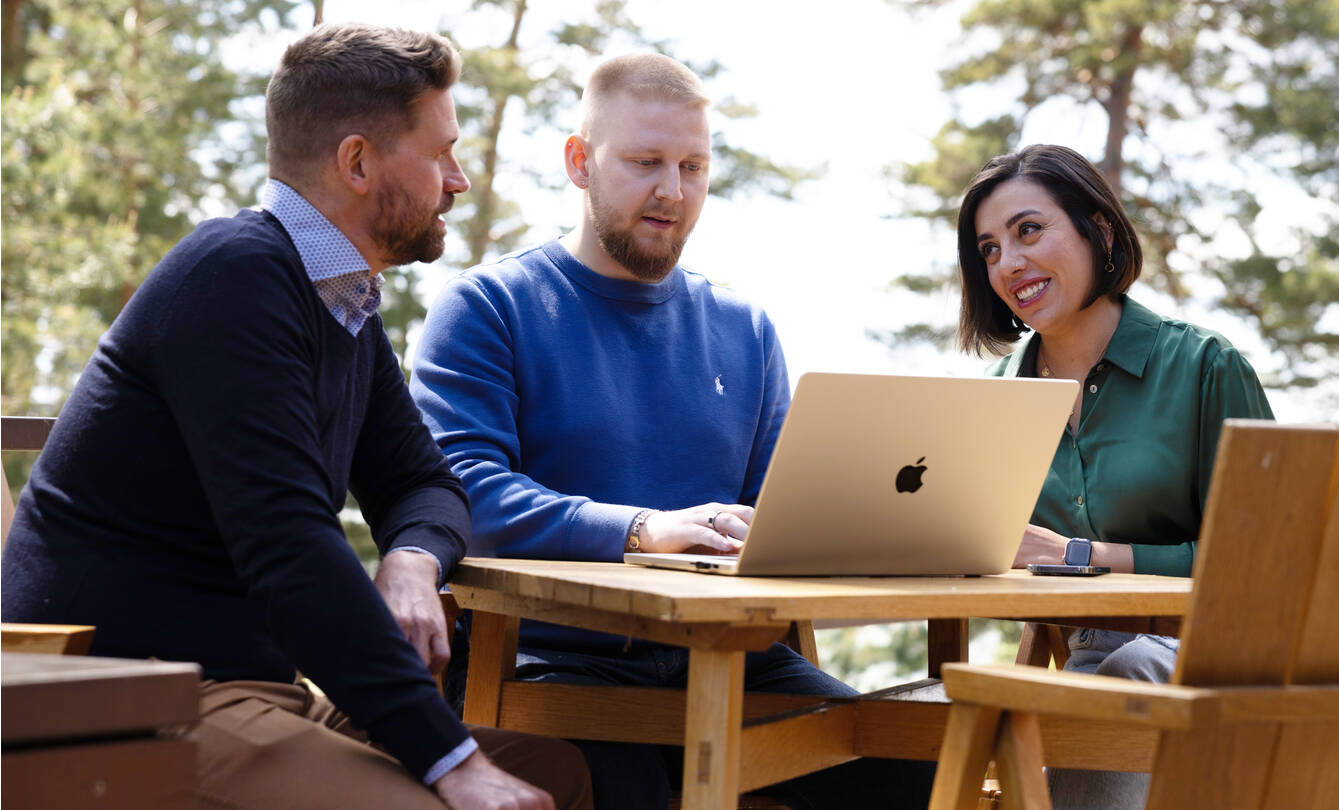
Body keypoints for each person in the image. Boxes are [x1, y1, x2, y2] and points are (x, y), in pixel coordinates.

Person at [0, 23, 591, 810]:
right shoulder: (235, 279)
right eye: (441, 152)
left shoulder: (341, 304)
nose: (460, 180)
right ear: (357, 162)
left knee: (559, 773)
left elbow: (425, 483)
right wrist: (451, 761)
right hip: (134, 697)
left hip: (256, 688)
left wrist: (412, 561)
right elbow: (288, 551)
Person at [410, 52, 934, 810]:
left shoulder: (744, 329)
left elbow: (779, 507)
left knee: (912, 766)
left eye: (694, 166)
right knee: (633, 788)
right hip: (555, 664)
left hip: (736, 664)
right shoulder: (490, 308)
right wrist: (640, 529)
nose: (672, 191)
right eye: (646, 162)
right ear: (579, 161)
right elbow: (465, 497)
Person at [953, 143, 1274, 807]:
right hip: (1086, 657)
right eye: (989, 249)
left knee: (1120, 677)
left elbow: (1265, 568)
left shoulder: (1206, 366)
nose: (1009, 264)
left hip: (1218, 659)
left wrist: (1081, 556)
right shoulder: (990, 401)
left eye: (1029, 231)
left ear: (1098, 231)